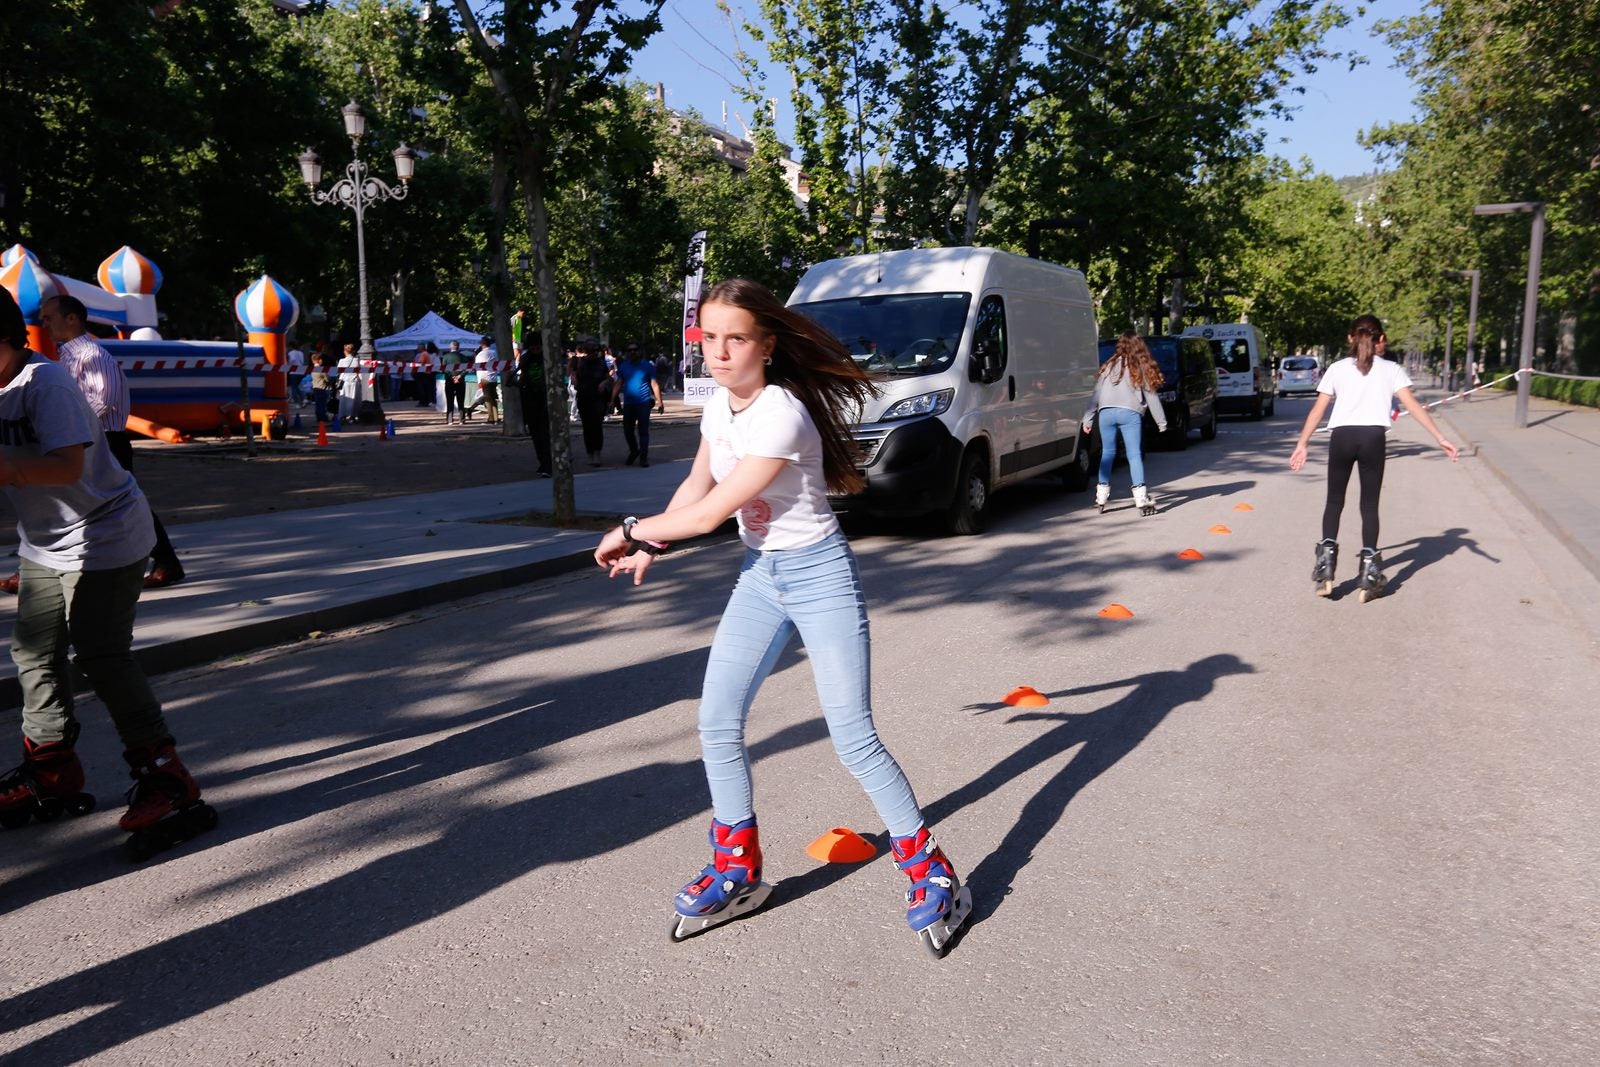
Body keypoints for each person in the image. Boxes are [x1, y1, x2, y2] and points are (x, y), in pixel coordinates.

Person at [591, 278, 972, 957]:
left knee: (852, 734)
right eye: (708, 338)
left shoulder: (781, 412)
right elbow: (696, 489)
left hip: (818, 575)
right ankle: (738, 866)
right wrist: (652, 542)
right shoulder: (720, 410)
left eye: (735, 338)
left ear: (767, 345)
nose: (720, 352)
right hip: (761, 578)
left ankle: (932, 870)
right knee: (716, 719)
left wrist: (634, 528)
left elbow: (708, 517)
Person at [0, 287, 215, 853]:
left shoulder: (44, 383)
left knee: (99, 652)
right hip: (45, 542)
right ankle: (50, 768)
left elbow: (66, 463)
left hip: (106, 531)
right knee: (33, 651)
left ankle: (166, 775)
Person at [1290, 314, 1459, 600]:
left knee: (1334, 501)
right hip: (1373, 439)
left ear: (1350, 338)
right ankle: (1369, 573)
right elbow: (1414, 406)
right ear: (1381, 339)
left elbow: (1318, 411)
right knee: (1369, 506)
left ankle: (1325, 566)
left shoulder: (1337, 368)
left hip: (1341, 438)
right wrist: (1439, 437)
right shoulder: (1391, 369)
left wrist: (1302, 443)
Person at [36, 294, 186, 588]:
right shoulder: (68, 356)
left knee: (125, 505)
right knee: (67, 503)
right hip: (85, 440)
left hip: (104, 441)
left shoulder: (91, 355)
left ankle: (166, 562)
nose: (44, 324)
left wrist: (63, 425)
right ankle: (46, 568)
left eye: (48, 318)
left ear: (72, 319)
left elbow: (102, 401)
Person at [1084, 330, 1168, 516]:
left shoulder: (1108, 365)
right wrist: (1161, 422)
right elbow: (1151, 396)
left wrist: (1087, 419)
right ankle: (1140, 497)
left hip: (1105, 413)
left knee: (1107, 453)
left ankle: (1101, 496)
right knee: (1133, 455)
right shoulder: (1139, 366)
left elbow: (1095, 395)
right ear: (1139, 346)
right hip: (1130, 413)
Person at [611, 342, 664, 466]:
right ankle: (634, 451)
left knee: (643, 431)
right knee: (627, 430)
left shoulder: (647, 366)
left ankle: (643, 457)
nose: (632, 352)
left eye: (635, 349)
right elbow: (619, 382)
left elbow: (654, 384)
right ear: (627, 353)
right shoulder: (624, 366)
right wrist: (612, 399)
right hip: (629, 403)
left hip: (644, 403)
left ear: (639, 351)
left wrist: (660, 402)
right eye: (629, 350)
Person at [518, 334, 553, 477]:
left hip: (546, 400)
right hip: (531, 400)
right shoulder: (526, 359)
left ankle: (548, 464)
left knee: (545, 434)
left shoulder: (548, 358)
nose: (535, 349)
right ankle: (543, 463)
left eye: (538, 346)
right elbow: (523, 378)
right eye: (533, 346)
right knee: (536, 435)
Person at [572, 343, 611, 464]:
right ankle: (590, 452)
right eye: (591, 351)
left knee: (597, 426)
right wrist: (574, 379)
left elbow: (608, 377)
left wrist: (604, 383)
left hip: (598, 398)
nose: (594, 353)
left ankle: (597, 453)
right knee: (587, 427)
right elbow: (572, 373)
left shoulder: (601, 363)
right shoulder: (578, 362)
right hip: (584, 397)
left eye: (596, 351)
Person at [470, 337, 499, 423]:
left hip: (484, 378)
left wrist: (479, 381)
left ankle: (491, 418)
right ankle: (496, 417)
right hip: (493, 377)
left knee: (488, 400)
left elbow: (478, 368)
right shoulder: (494, 353)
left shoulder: (480, 355)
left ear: (482, 344)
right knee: (493, 399)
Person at [442, 340, 468, 424]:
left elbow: (444, 369)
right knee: (461, 401)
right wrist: (459, 376)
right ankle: (462, 419)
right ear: (458, 347)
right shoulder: (463, 357)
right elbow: (466, 369)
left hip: (449, 381)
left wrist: (452, 376)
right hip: (461, 381)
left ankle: (449, 420)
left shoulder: (445, 357)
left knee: (450, 401)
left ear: (450, 347)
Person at [336, 342, 362, 423]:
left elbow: (338, 372)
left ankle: (343, 415)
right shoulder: (357, 360)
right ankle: (353, 415)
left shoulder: (342, 361)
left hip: (345, 382)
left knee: (344, 400)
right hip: (355, 382)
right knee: (355, 400)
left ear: (345, 351)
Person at [309, 344, 334, 425]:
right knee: (323, 404)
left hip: (315, 387)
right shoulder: (321, 369)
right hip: (323, 388)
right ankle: (323, 417)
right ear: (319, 360)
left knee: (317, 404)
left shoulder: (312, 369)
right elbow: (327, 378)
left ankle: (318, 417)